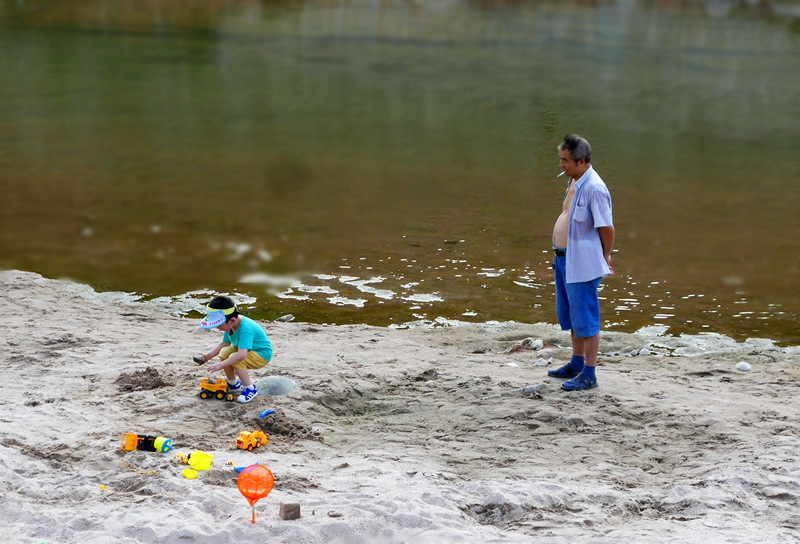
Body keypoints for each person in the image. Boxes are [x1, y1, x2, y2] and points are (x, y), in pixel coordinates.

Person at [547, 134, 615, 391]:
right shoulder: (575, 181)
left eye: (565, 160)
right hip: (564, 260)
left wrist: (605, 256)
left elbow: (607, 228)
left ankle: (589, 373)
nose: (561, 165)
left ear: (581, 160)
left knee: (585, 318)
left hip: (582, 263)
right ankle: (576, 363)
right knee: (571, 316)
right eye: (560, 159)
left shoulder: (595, 188)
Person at [196, 296, 273, 403]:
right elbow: (224, 343)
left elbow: (241, 355)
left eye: (219, 325)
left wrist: (221, 365)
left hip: (261, 355)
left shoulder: (246, 328)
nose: (217, 328)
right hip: (247, 351)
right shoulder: (230, 325)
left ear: (231, 321)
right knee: (224, 352)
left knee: (235, 358)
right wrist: (207, 357)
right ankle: (233, 384)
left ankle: (250, 388)